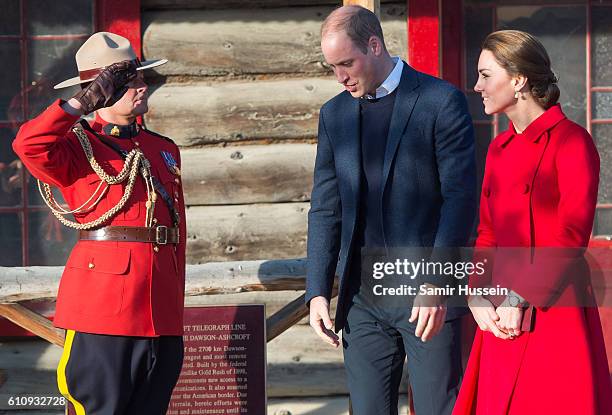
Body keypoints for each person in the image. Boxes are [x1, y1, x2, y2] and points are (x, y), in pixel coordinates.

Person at [306, 6, 477, 414]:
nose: (341, 77)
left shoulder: (440, 101)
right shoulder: (334, 114)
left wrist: (437, 283)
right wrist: (316, 291)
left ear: (375, 44)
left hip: (425, 291)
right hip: (360, 300)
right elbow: (325, 208)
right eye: (332, 67)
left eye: (347, 63)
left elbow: (460, 201)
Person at [12, 32, 186, 414]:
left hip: (161, 311)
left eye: (141, 77)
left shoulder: (162, 148)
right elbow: (28, 145)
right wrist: (78, 104)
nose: (141, 86)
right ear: (100, 90)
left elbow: (176, 236)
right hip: (105, 313)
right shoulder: (76, 146)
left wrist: (175, 307)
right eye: (128, 81)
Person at [453, 30, 612, 414]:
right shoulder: (498, 148)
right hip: (501, 316)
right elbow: (488, 230)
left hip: (554, 308)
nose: (477, 86)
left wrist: (519, 296)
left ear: (519, 80)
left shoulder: (572, 142)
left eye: (486, 75)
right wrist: (476, 293)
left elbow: (571, 233)